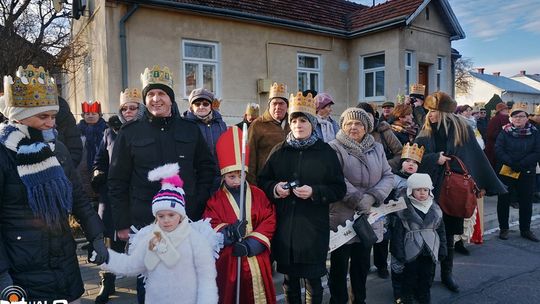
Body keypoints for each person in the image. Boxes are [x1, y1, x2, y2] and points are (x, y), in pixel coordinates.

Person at [108, 65, 215, 302]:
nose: (156, 99)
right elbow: (117, 181)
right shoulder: (129, 133)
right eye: (151, 95)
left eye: (162, 94)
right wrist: (122, 223)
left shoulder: (190, 130)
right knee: (149, 283)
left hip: (186, 220)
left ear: (171, 98)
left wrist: (198, 202)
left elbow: (208, 169)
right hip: (146, 223)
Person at [0, 65, 108, 302]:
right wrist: (2, 275)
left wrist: (96, 236)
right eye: (43, 116)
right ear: (18, 115)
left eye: (53, 116)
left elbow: (77, 197)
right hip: (21, 269)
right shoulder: (3, 153)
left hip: (63, 262)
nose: (51, 124)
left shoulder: (57, 149)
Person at [258, 92, 346, 304]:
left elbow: (338, 188)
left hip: (313, 228)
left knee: (314, 281)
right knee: (290, 281)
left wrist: (315, 192)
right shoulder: (279, 151)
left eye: (303, 120)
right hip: (286, 227)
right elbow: (262, 182)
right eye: (294, 120)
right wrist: (275, 188)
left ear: (312, 123)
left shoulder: (325, 152)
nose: (298, 125)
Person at [414, 91, 506, 293]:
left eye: (435, 111)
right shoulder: (425, 130)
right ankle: (427, 276)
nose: (430, 115)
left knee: (448, 235)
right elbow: (414, 158)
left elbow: (474, 157)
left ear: (445, 113)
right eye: (429, 110)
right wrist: (433, 159)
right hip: (428, 191)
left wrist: (480, 185)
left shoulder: (462, 129)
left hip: (453, 192)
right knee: (428, 234)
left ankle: (447, 274)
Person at [100, 163, 219, 303]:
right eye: (161, 216)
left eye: (171, 215)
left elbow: (206, 277)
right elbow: (133, 264)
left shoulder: (196, 238)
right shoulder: (151, 237)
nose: (166, 220)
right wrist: (107, 259)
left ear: (180, 215)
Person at [203, 126, 277, 304]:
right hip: (230, 260)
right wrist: (228, 233)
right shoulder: (216, 200)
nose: (236, 181)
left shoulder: (258, 194)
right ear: (223, 176)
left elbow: (269, 218)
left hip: (255, 257)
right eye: (231, 177)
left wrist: (253, 244)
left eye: (240, 175)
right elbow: (209, 223)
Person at [328, 107, 393, 304]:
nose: (353, 127)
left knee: (362, 265)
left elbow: (388, 175)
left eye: (358, 124)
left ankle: (359, 300)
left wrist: (373, 197)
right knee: (339, 267)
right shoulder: (333, 147)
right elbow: (335, 177)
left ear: (366, 128)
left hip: (369, 215)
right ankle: (337, 300)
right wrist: (358, 199)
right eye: (349, 123)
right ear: (342, 126)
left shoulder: (377, 148)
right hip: (342, 216)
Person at [91, 88, 145, 304]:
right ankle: (108, 281)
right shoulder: (109, 131)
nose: (129, 111)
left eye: (133, 107)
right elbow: (99, 160)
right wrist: (99, 174)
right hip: (113, 196)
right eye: (125, 108)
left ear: (140, 109)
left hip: (138, 196)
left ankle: (143, 280)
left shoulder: (146, 130)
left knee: (141, 241)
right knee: (110, 244)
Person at [389, 173, 447, 304]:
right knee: (409, 275)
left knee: (427, 275)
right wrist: (398, 252)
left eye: (425, 190)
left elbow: (441, 231)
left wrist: (443, 248)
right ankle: (407, 296)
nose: (422, 193)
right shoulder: (403, 209)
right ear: (410, 190)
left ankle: (423, 295)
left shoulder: (435, 208)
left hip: (430, 249)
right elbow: (398, 233)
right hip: (410, 249)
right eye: (418, 190)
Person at [496, 103, 540, 242]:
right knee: (504, 200)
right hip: (507, 170)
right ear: (511, 118)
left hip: (526, 171)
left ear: (527, 118)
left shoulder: (535, 132)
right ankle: (504, 228)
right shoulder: (504, 131)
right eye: (515, 116)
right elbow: (498, 149)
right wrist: (511, 162)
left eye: (522, 116)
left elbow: (537, 151)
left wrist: (522, 163)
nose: (518, 119)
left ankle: (525, 229)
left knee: (526, 201)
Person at [247, 82, 290, 184]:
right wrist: (252, 185)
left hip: (288, 181)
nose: (277, 107)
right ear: (269, 105)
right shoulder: (258, 125)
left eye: (281, 103)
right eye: (274, 103)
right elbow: (250, 157)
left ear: (287, 106)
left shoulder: (293, 124)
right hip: (265, 181)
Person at [357, 102, 403, 171]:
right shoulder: (353, 134)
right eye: (362, 116)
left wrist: (384, 167)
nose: (365, 119)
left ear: (373, 116)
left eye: (368, 115)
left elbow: (400, 153)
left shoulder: (383, 130)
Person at [57, 96, 83, 167]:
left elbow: (75, 148)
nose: (49, 123)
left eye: (52, 117)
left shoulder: (66, 117)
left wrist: (67, 168)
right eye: (43, 117)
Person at [485, 102, 509, 168]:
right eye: (506, 109)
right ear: (501, 110)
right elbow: (490, 134)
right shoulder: (499, 119)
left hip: (497, 147)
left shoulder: (503, 118)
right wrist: (503, 136)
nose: (507, 110)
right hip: (495, 147)